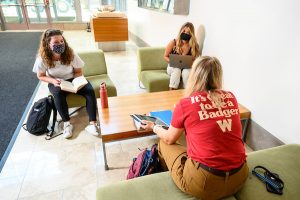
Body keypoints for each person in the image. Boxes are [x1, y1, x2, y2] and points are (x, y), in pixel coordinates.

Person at [140, 56, 248, 199]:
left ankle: (168, 178)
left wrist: (153, 126)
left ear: (194, 75)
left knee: (162, 143)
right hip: (239, 178)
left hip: (205, 183)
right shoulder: (231, 97)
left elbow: (169, 139)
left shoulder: (185, 104)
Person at [32, 29, 99, 139]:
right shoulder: (42, 58)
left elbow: (78, 72)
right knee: (57, 94)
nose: (60, 44)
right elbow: (41, 75)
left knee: (89, 91)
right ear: (48, 44)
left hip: (73, 78)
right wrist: (53, 81)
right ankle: (67, 124)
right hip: (56, 81)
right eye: (56, 43)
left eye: (61, 41)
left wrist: (77, 82)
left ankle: (93, 124)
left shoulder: (70, 53)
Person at [164, 22, 200, 90]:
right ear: (181, 31)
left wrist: (190, 63)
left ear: (191, 35)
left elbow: (194, 60)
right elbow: (165, 56)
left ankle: (187, 92)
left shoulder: (194, 46)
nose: (185, 34)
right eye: (184, 31)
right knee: (177, 70)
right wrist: (173, 61)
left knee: (187, 73)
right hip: (173, 67)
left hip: (186, 68)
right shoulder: (173, 42)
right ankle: (171, 92)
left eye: (188, 33)